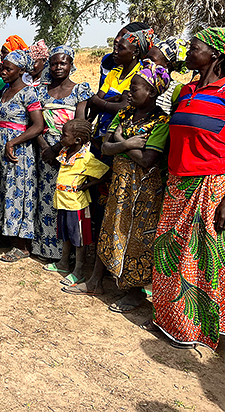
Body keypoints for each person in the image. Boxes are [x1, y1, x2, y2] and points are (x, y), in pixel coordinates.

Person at [70, 61, 170, 309]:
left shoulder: (161, 122)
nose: (129, 93)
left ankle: (134, 291)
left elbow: (148, 160)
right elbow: (105, 146)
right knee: (110, 227)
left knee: (137, 237)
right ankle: (95, 281)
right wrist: (127, 144)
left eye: (134, 89)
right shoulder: (123, 113)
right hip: (120, 183)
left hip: (144, 189)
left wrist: (119, 141)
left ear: (152, 93)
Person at [151, 28, 225, 350]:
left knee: (201, 259)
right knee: (168, 251)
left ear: (215, 55)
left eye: (194, 47)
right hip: (177, 183)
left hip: (210, 185)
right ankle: (172, 322)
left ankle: (201, 328)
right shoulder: (186, 90)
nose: (188, 51)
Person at [34, 46, 93, 260]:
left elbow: (78, 124)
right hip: (43, 151)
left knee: (66, 200)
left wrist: (57, 150)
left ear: (71, 65)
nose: (58, 67)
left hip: (69, 152)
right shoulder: (40, 91)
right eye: (54, 63)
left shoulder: (79, 90)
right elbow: (36, 123)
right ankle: (44, 248)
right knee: (45, 198)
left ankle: (63, 253)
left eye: (63, 63)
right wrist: (45, 148)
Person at [0, 50, 45, 263]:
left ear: (21, 71)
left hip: (18, 151)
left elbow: (39, 125)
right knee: (3, 191)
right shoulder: (5, 90)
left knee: (18, 193)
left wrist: (13, 142)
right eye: (2, 67)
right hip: (2, 148)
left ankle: (22, 246)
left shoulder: (28, 93)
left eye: (8, 68)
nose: (2, 71)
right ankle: (7, 236)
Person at [45, 120, 109, 285]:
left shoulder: (86, 157)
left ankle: (79, 270)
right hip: (62, 202)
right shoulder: (66, 152)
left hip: (77, 205)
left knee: (79, 239)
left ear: (78, 140)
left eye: (64, 135)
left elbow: (104, 173)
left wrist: (86, 185)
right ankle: (63, 263)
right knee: (66, 234)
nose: (60, 138)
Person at [87, 28, 155, 140]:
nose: (116, 51)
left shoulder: (141, 76)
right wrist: (113, 100)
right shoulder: (114, 73)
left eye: (121, 48)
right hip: (101, 132)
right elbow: (93, 103)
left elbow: (123, 108)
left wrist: (101, 103)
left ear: (135, 52)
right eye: (116, 47)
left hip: (122, 135)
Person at [98, 22, 151, 89]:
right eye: (118, 35)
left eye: (124, 36)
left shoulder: (142, 70)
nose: (117, 39)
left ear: (135, 51)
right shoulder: (107, 61)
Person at [147, 37, 189, 114]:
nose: (146, 62)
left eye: (152, 59)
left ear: (168, 65)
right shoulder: (142, 80)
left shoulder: (176, 89)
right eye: (147, 58)